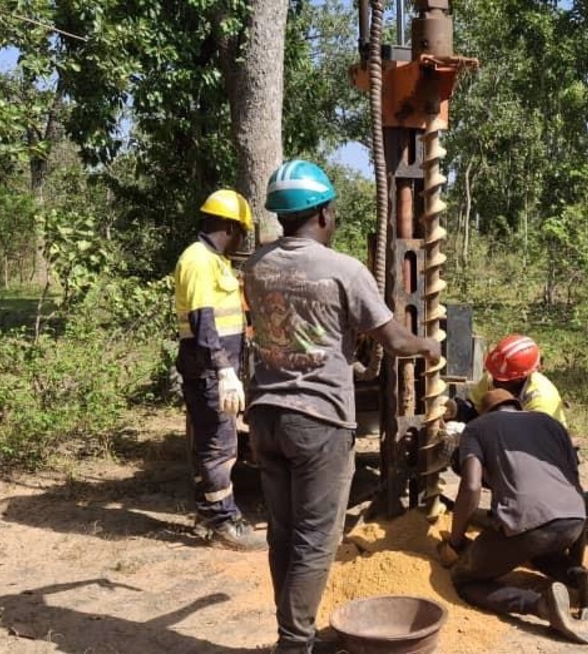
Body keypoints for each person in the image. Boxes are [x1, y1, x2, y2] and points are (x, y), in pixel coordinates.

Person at [242, 159, 441, 654]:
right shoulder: (343, 269)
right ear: (324, 214)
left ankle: (294, 633)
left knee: (284, 535)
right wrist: (428, 346)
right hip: (318, 421)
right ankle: (295, 644)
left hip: (265, 416)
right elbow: (393, 339)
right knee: (315, 539)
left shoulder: (256, 265)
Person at [438, 388, 588, 644]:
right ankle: (580, 578)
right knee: (537, 549)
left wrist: (456, 541)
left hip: (529, 525)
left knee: (464, 580)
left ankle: (541, 606)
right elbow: (574, 481)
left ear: (485, 411)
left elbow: (471, 486)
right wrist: (575, 560)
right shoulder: (550, 423)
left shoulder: (478, 427)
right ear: (516, 406)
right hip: (573, 517)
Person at [173, 188, 266, 551]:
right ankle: (225, 523)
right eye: (241, 231)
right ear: (231, 226)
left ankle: (208, 513)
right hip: (209, 371)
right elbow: (202, 321)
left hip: (213, 369)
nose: (242, 239)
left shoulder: (215, 261)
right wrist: (224, 370)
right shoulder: (198, 260)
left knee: (212, 442)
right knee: (220, 446)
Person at [448, 334, 568, 427]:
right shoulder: (492, 377)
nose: (495, 382)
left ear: (521, 377)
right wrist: (456, 410)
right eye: (495, 375)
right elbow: (475, 410)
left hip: (542, 446)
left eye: (503, 380)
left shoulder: (541, 398)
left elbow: (528, 440)